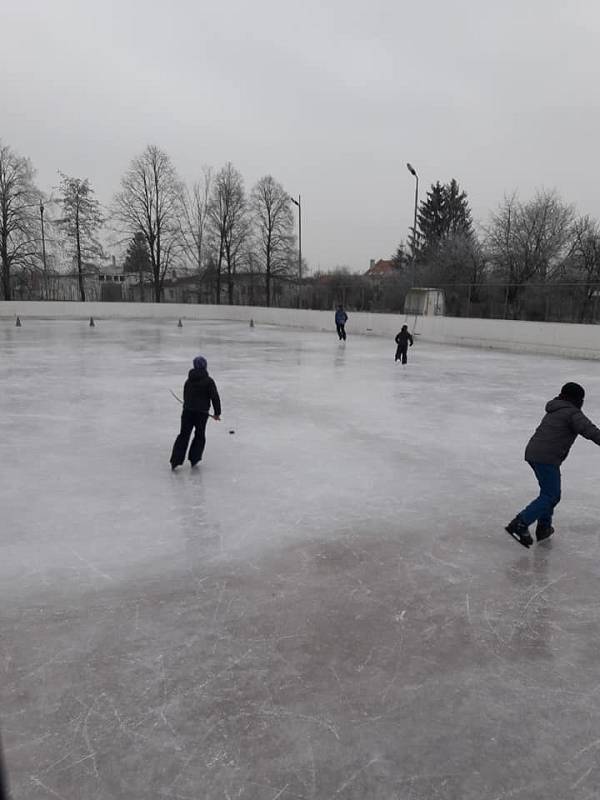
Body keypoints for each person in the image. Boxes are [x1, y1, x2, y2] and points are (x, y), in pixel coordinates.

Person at [505, 382, 600, 548]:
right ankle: (520, 523)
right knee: (551, 495)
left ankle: (544, 528)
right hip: (546, 458)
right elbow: (590, 431)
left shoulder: (555, 409)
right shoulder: (572, 413)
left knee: (549, 493)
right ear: (577, 399)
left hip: (535, 453)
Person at [170, 356, 221, 470]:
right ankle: (194, 458)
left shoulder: (188, 380)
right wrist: (217, 413)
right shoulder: (209, 381)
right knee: (199, 435)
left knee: (183, 435)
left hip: (187, 412)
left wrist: (188, 405)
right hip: (202, 414)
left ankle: (175, 460)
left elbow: (186, 395)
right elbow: (215, 397)